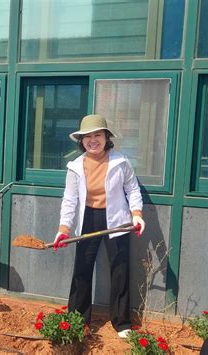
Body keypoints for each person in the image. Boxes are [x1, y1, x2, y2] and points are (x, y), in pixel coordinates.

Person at [52, 114, 146, 339]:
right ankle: (77, 319)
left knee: (120, 269)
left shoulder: (121, 161)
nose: (93, 140)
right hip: (89, 218)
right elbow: (70, 199)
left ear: (106, 137)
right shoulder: (75, 166)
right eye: (88, 137)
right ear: (81, 141)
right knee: (82, 270)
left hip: (118, 218)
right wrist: (63, 229)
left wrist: (137, 215)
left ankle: (122, 323)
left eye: (98, 135)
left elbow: (132, 189)